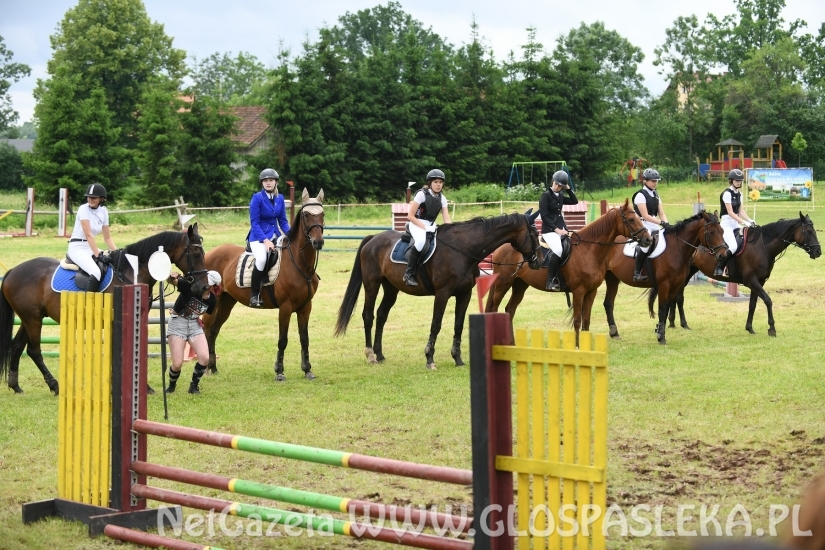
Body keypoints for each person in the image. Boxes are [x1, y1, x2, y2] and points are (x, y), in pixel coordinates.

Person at [165, 270, 222, 395]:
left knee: (204, 357)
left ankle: (193, 386)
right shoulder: (190, 286)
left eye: (208, 284)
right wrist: (171, 277)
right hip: (178, 323)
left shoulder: (212, 300)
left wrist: (195, 317)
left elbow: (203, 312)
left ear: (213, 286)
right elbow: (173, 281)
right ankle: (171, 385)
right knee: (177, 363)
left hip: (194, 325)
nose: (204, 285)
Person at [247, 168, 290, 307]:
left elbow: (283, 221)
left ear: (276, 182)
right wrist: (265, 241)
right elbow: (255, 223)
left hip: (275, 234)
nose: (268, 183)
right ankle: (254, 295)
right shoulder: (257, 198)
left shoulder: (280, 198)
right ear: (262, 183)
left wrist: (291, 235)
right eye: (265, 181)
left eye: (271, 180)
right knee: (261, 258)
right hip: (257, 237)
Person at [404, 169, 453, 287]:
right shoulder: (421, 194)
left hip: (431, 226)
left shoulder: (443, 198)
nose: (438, 185)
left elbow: (446, 219)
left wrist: (454, 232)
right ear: (430, 183)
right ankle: (408, 274)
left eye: (441, 182)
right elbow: (410, 216)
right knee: (420, 242)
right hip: (416, 223)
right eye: (435, 182)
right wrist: (425, 227)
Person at [67, 183, 118, 292]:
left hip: (90, 247)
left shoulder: (103, 212)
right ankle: (88, 303)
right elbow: (89, 235)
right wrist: (98, 255)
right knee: (95, 272)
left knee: (112, 264)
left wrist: (117, 252)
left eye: (94, 197)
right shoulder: (83, 209)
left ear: (101, 198)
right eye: (89, 197)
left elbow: (107, 238)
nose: (90, 199)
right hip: (77, 247)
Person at [539, 170, 578, 291]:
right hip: (549, 231)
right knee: (558, 250)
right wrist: (557, 230)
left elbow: (574, 201)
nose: (556, 186)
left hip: (561, 229)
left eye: (559, 185)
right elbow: (544, 216)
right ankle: (550, 281)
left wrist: (568, 188)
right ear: (553, 181)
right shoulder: (545, 196)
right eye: (556, 183)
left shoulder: (560, 196)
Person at [631, 168, 669, 282]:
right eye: (653, 181)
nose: (655, 183)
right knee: (647, 244)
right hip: (642, 224)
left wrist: (667, 224)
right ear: (645, 181)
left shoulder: (656, 194)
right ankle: (637, 272)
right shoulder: (640, 195)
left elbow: (661, 213)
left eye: (656, 181)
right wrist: (661, 223)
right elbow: (646, 216)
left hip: (654, 223)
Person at [715, 168, 754, 277]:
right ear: (731, 180)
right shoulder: (726, 194)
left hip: (736, 223)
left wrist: (749, 220)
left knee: (746, 242)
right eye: (737, 180)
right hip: (726, 224)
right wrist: (743, 222)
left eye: (740, 180)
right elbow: (731, 212)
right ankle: (720, 266)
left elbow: (740, 211)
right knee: (732, 246)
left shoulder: (739, 194)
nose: (739, 182)